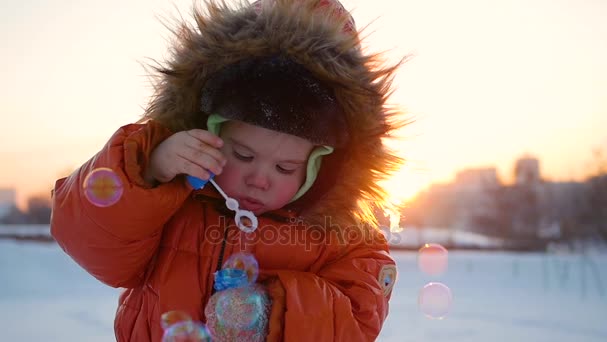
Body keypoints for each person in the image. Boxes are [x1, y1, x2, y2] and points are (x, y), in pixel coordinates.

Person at [50, 0, 405, 340]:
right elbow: (88, 241)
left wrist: (270, 314)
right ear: (209, 131)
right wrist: (150, 169)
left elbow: (358, 315)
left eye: (285, 167)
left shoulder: (344, 235)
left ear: (324, 167)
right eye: (244, 155)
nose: (259, 178)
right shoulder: (174, 200)